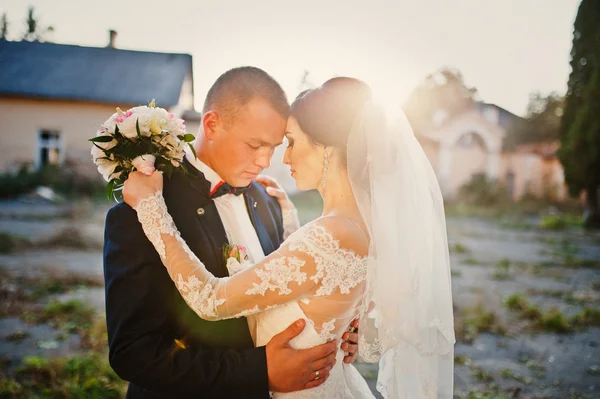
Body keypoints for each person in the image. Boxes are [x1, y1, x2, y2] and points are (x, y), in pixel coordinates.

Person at [123, 77, 456, 398]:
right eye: (259, 145)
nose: (278, 159)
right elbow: (312, 285)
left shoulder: (328, 235)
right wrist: (346, 329)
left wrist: (151, 210)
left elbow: (212, 300)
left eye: (291, 142)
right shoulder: (362, 228)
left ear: (327, 147)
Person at [103, 67, 360, 399]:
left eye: (275, 146)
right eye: (255, 145)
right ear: (211, 124)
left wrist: (332, 325)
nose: (266, 161)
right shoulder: (144, 210)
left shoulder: (269, 201)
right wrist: (259, 372)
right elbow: (134, 352)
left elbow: (289, 295)